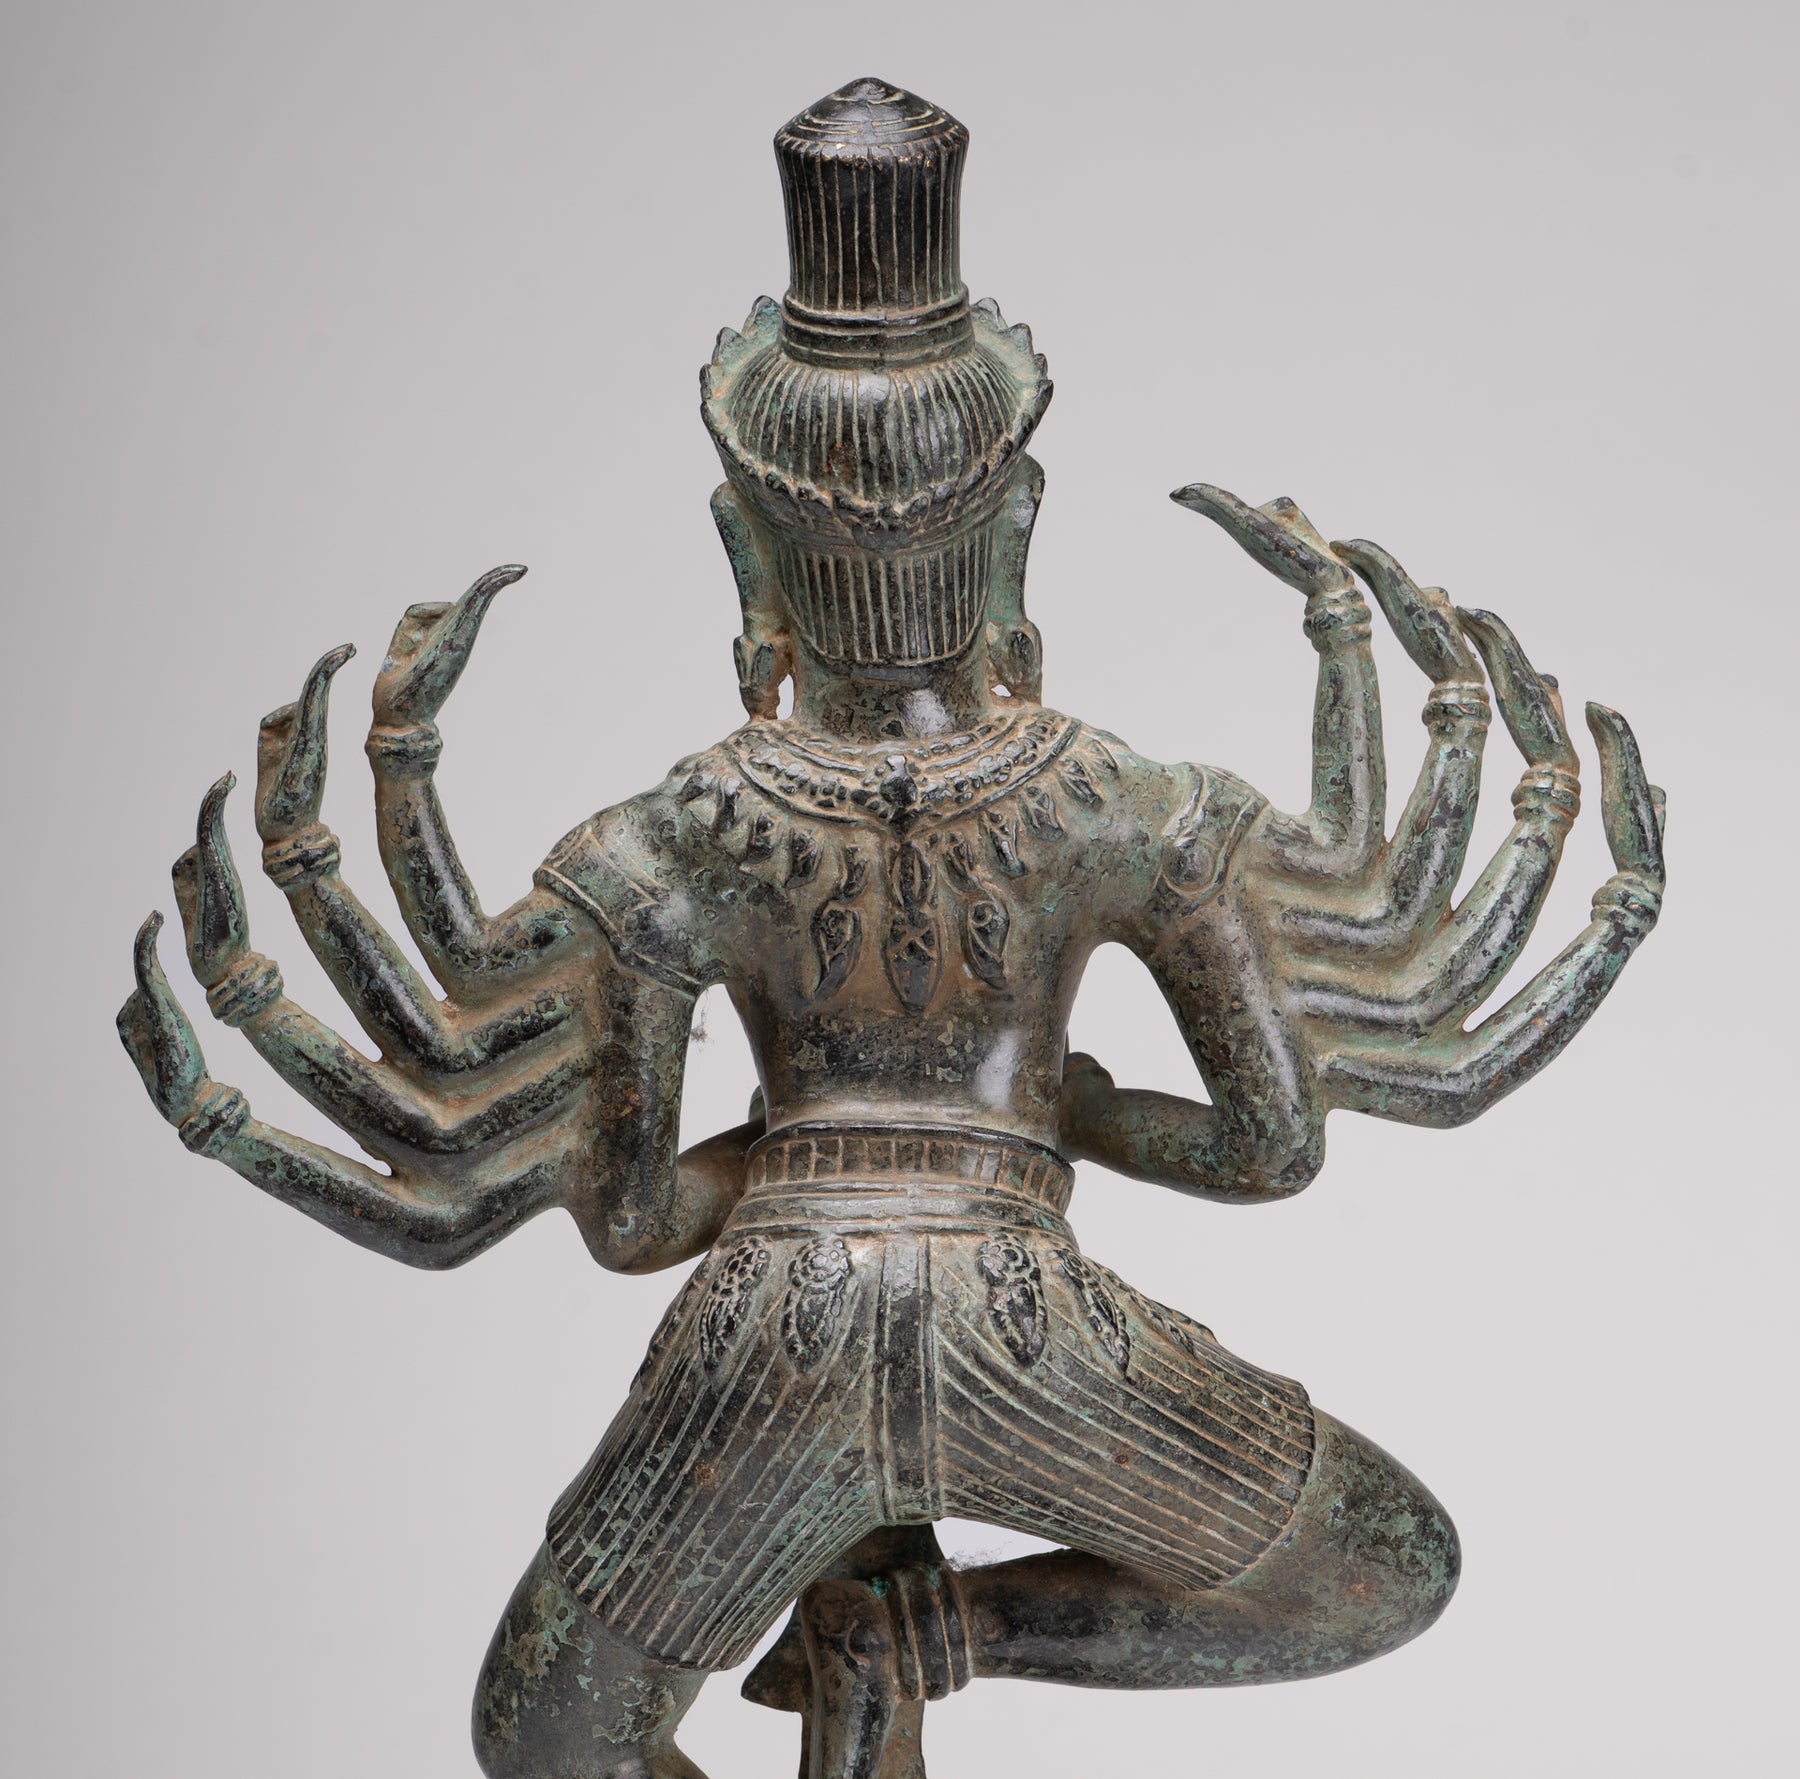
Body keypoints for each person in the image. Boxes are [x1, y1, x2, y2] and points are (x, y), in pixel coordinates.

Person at [119, 79, 1664, 1779]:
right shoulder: (1127, 808)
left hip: (762, 1341)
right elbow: (1270, 1147)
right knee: (1380, 1570)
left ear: (747, 562)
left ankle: (886, 1649)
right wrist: (1059, 1113)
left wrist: (793, 1153)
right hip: (1033, 1331)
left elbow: (627, 1220)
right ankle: (946, 1631)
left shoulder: (670, 840)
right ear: (1015, 537)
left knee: (555, 1739)